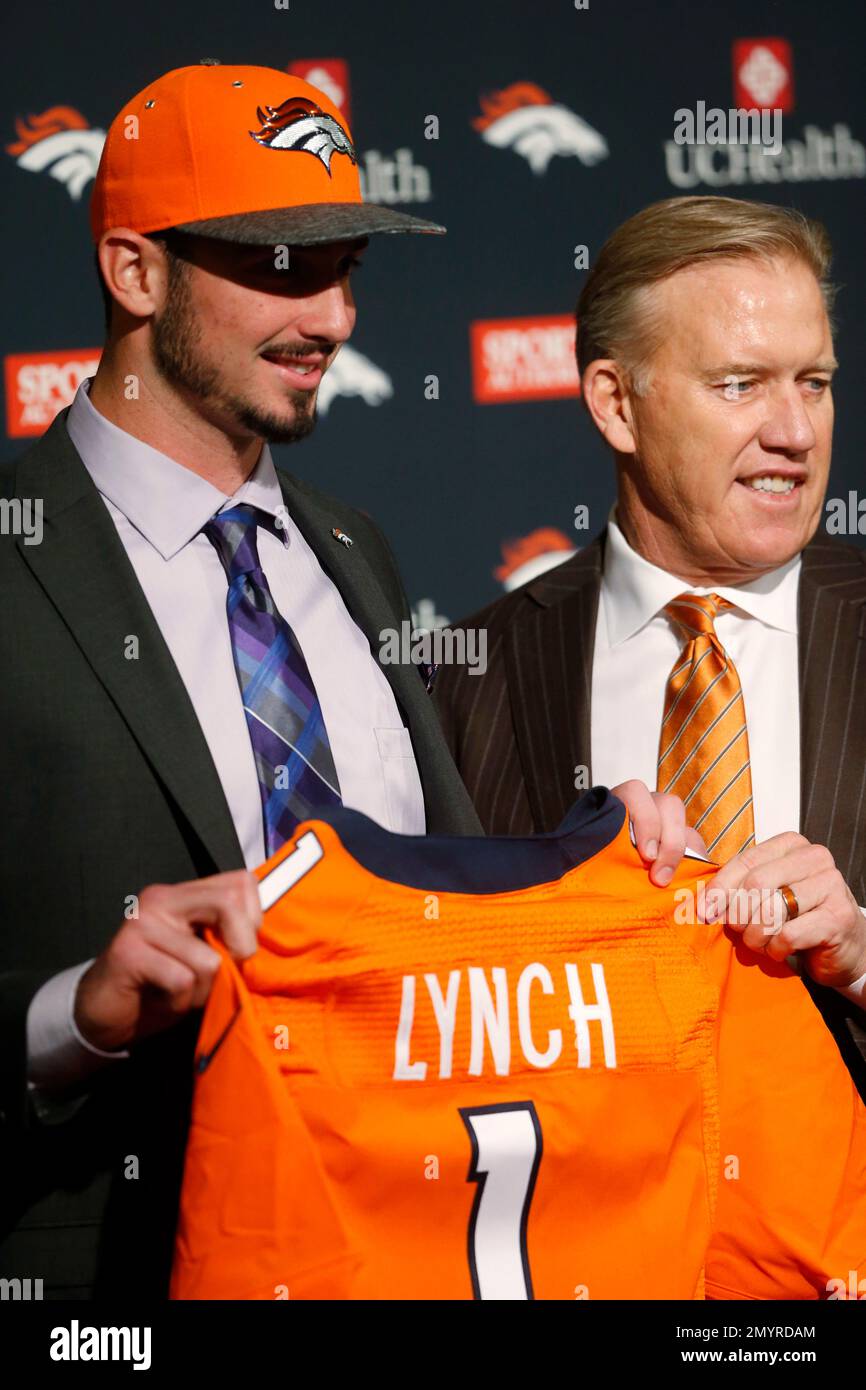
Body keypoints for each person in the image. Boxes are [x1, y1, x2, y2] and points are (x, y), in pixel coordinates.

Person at [0, 63, 691, 1300]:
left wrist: (591, 865)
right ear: (134, 272)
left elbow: (416, 916)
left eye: (344, 265)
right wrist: (77, 1013)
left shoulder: (351, 548)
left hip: (406, 1257)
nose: (330, 317)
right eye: (278, 265)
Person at [434, 195, 866, 1093]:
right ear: (616, 404)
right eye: (741, 384)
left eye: (814, 383)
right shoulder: (460, 680)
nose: (794, 432)